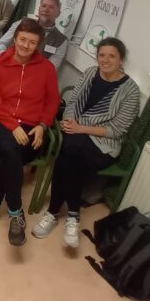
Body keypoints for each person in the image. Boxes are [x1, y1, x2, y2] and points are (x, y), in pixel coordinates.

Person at [32, 38, 140, 248]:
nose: (105, 60)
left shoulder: (131, 90)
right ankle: (72, 216)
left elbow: (117, 130)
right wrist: (70, 120)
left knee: (69, 153)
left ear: (121, 60)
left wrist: (81, 128)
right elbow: (72, 102)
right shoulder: (91, 72)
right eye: (101, 55)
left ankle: (54, 212)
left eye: (112, 56)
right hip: (75, 132)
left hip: (103, 144)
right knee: (71, 152)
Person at [0, 18, 60, 246]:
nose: (25, 46)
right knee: (9, 151)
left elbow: (52, 102)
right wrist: (14, 126)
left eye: (32, 42)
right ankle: (15, 211)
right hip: (0, 124)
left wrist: (42, 126)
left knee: (4, 159)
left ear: (38, 45)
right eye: (22, 40)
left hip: (32, 129)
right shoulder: (1, 64)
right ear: (15, 38)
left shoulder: (47, 69)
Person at [0, 0, 68, 70]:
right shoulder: (22, 23)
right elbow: (1, 44)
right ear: (39, 10)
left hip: (34, 75)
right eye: (43, 6)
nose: (45, 10)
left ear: (58, 13)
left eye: (51, 7)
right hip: (9, 65)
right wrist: (6, 60)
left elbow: (51, 68)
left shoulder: (61, 41)